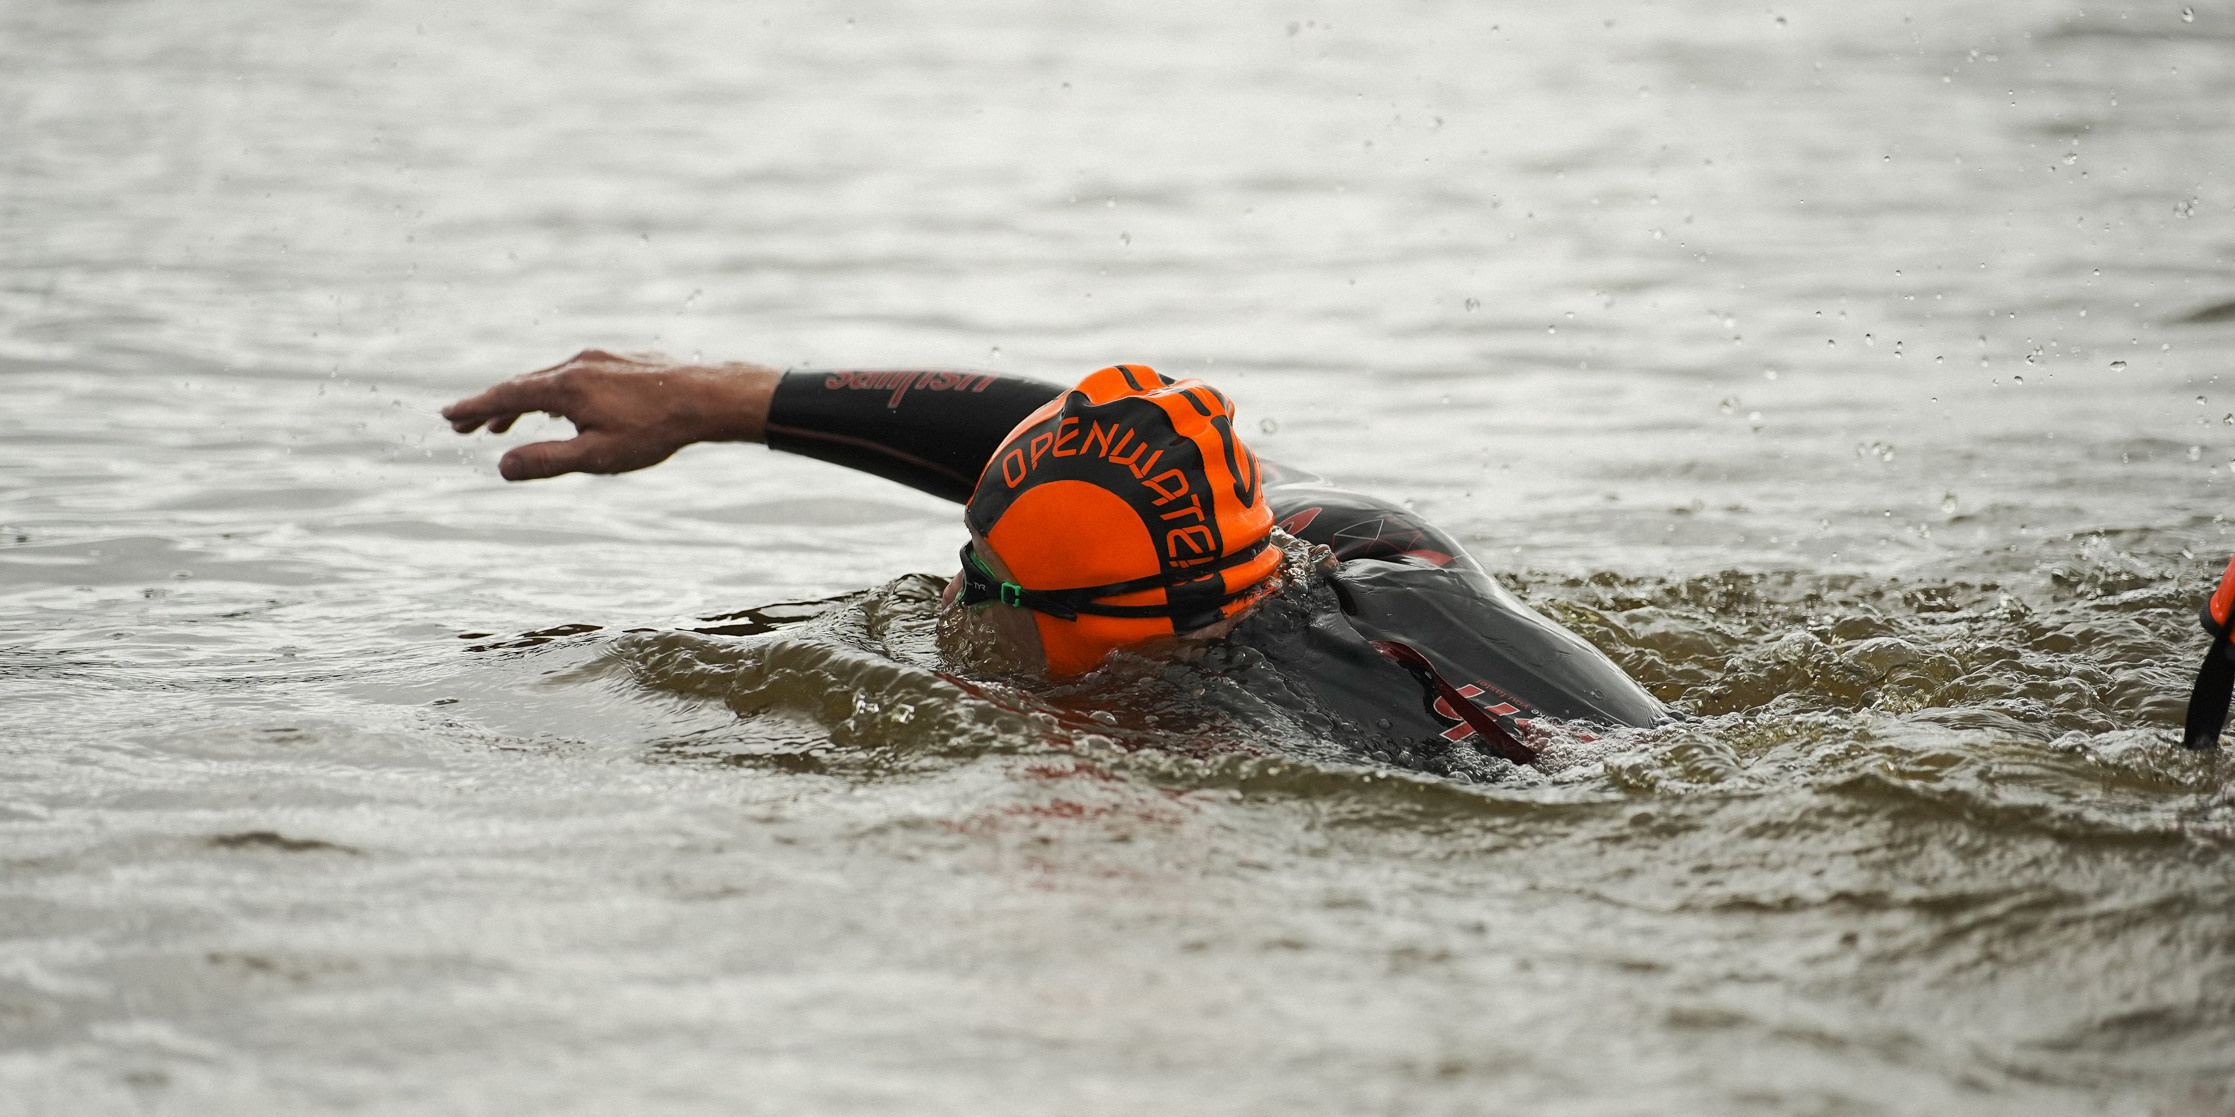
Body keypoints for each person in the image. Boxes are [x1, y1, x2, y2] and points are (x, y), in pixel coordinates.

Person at [444, 349, 1666, 764]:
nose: (950, 589)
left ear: (1086, 634)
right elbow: (1116, 443)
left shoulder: (1228, 720)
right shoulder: (1344, 540)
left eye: (981, 576)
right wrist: (718, 400)